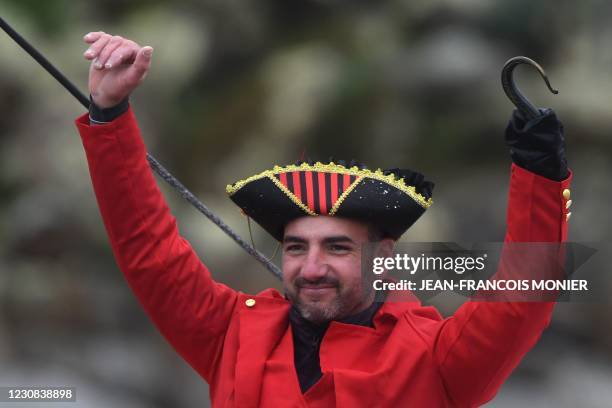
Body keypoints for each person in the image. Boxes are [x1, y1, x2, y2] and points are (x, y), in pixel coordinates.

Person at [75, 32, 573, 407]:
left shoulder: (437, 358)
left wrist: (540, 175)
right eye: (296, 247)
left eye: (336, 247)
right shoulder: (230, 333)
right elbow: (149, 253)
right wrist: (109, 113)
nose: (311, 267)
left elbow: (521, 299)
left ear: (382, 257)